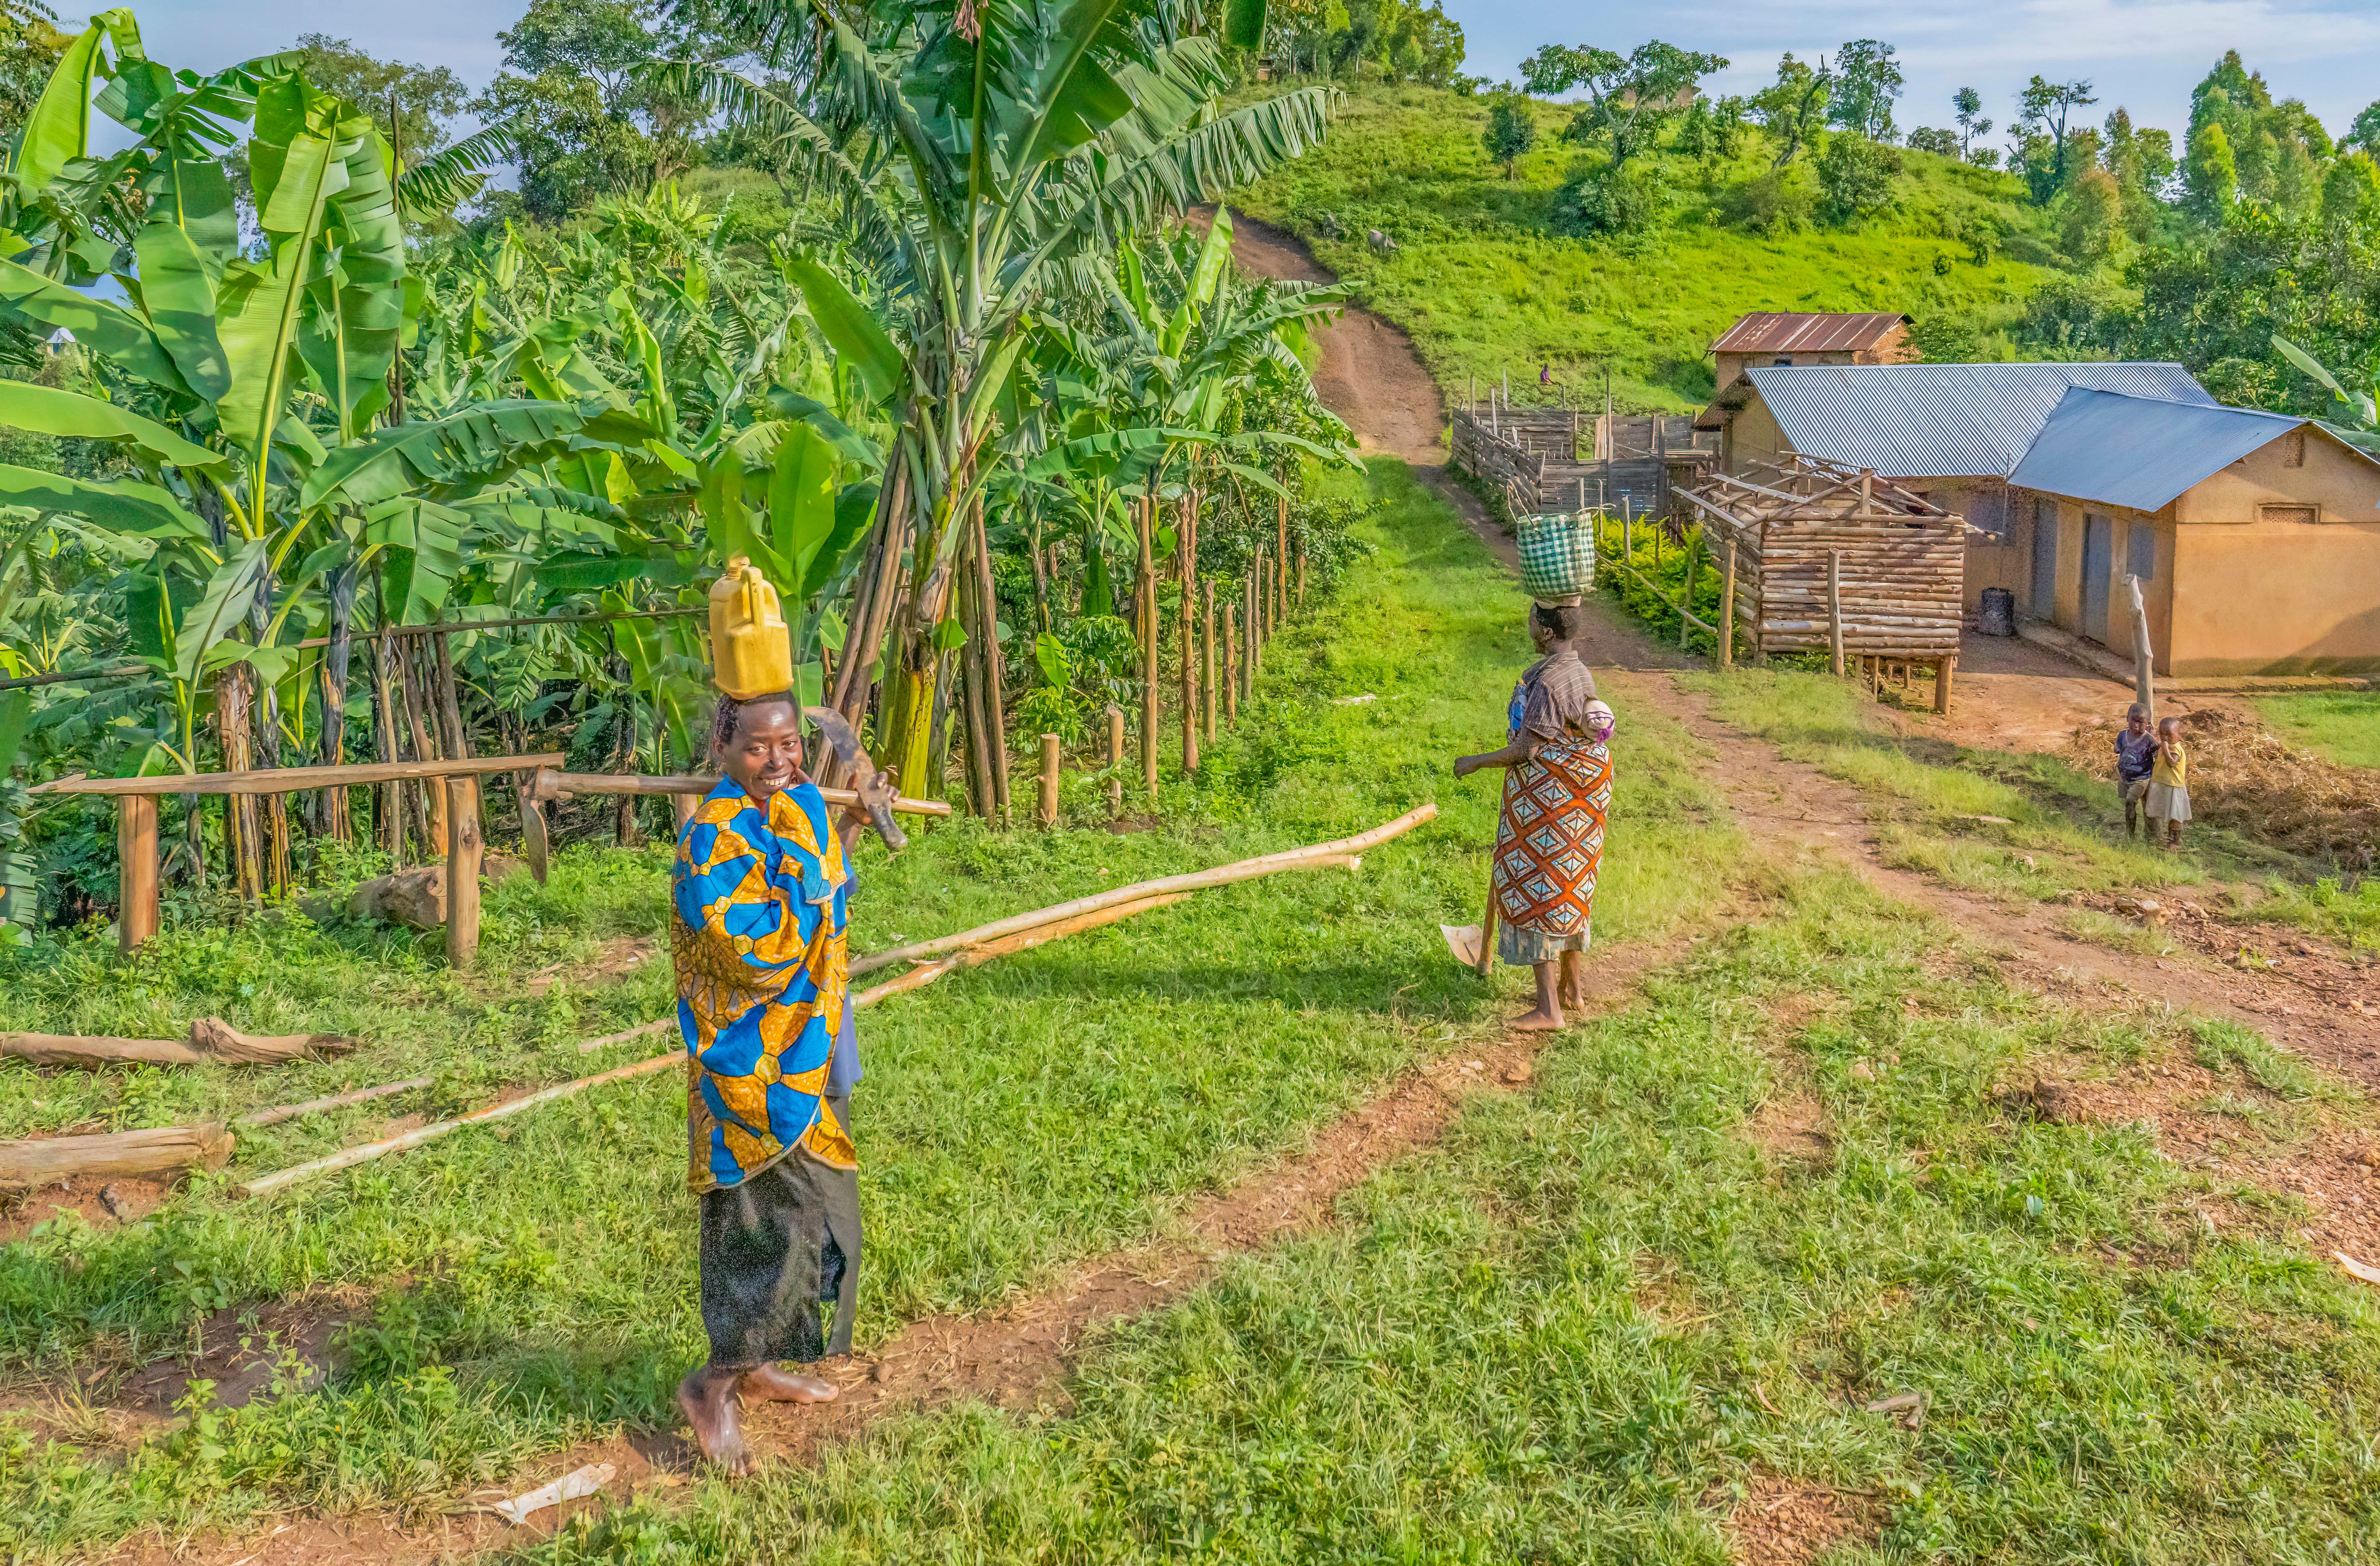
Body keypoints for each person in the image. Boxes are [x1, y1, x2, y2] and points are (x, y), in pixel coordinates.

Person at [672, 691, 896, 1472]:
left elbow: (828, 882)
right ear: (724, 748)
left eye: (790, 744)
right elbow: (750, 951)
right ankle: (712, 1384)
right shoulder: (710, 838)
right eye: (760, 748)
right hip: (745, 1069)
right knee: (760, 1222)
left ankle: (759, 1367)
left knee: (817, 1215)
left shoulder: (799, 805)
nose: (781, 761)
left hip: (806, 1046)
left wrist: (845, 829)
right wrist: (811, 883)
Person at [1453, 600, 1611, 1031]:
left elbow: (1527, 750)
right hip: (1579, 809)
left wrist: (1475, 761)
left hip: (1548, 807)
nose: (1526, 625)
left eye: (1530, 620)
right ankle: (1572, 990)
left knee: (1537, 890)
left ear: (1544, 630)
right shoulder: (1578, 670)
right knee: (1568, 887)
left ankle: (1548, 1010)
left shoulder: (1548, 685)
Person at [2146, 714, 2190, 850]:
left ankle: (2175, 842)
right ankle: (2160, 837)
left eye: (2169, 735)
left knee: (2175, 815)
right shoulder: (2166, 745)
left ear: (2179, 735)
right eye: (2162, 734)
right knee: (2160, 811)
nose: (2165, 738)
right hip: (2161, 784)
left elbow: (2172, 763)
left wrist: (2164, 746)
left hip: (2174, 787)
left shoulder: (2176, 748)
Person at [2114, 703, 2156, 837]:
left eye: (2140, 722)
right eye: (2133, 720)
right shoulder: (2122, 736)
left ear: (2148, 724)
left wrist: (2156, 739)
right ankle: (2133, 834)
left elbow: (2159, 757)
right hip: (2126, 778)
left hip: (2142, 779)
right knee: (2134, 805)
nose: (2136, 725)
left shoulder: (2149, 740)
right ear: (2128, 719)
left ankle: (2142, 836)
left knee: (2131, 802)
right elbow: (2118, 751)